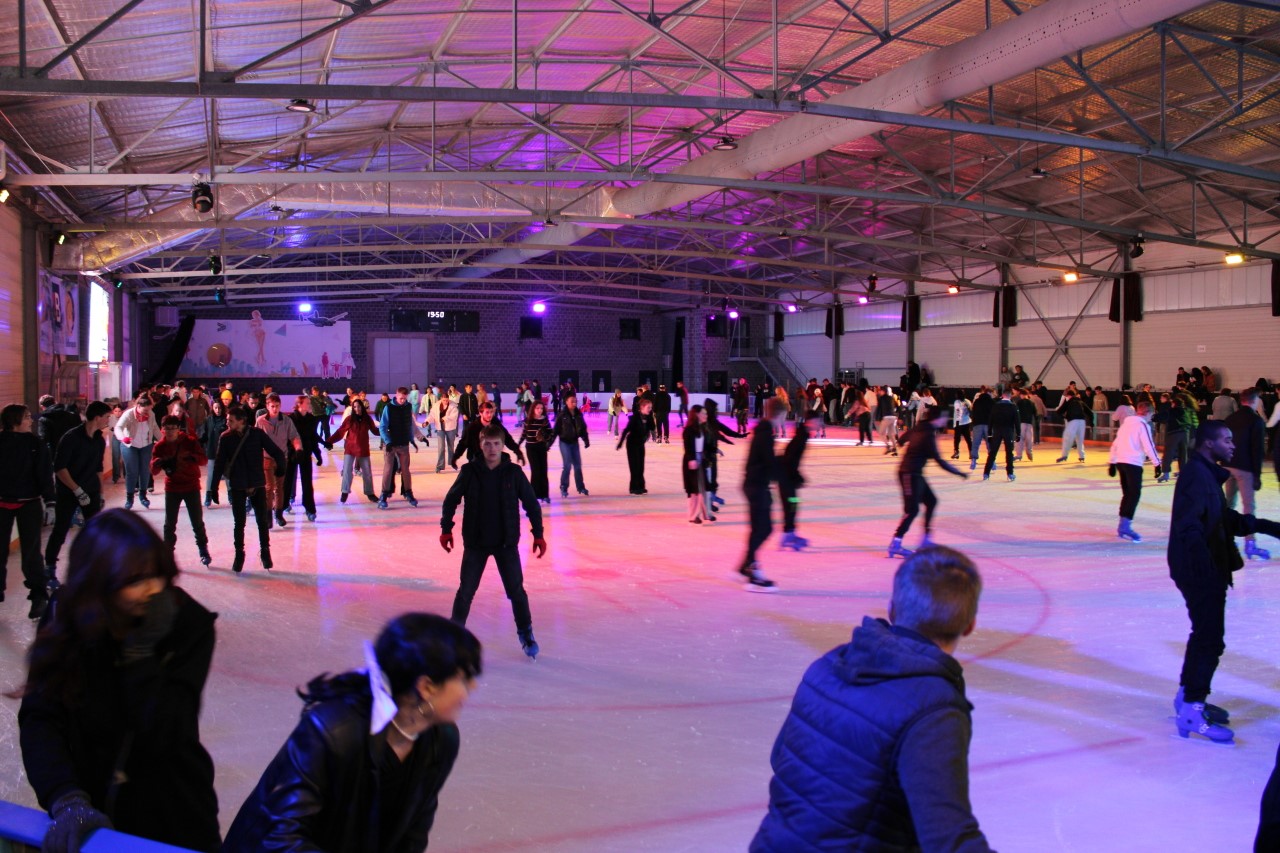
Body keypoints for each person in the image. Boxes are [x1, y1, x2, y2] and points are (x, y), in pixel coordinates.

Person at [750, 546, 993, 852]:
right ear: (969, 625)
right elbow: (949, 840)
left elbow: (783, 758)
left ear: (892, 609)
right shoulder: (934, 711)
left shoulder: (830, 664)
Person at [15, 510, 221, 852]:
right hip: (94, 806)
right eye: (135, 579)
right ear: (97, 582)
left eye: (157, 573)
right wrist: (66, 798)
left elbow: (167, 731)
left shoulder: (187, 624)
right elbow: (41, 716)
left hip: (173, 813)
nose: (153, 589)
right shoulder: (66, 615)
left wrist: (140, 651)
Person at [223, 613, 478, 852]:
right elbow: (281, 836)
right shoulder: (333, 730)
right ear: (427, 687)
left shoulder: (441, 741)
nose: (473, 686)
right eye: (464, 679)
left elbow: (413, 834)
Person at [1168, 421, 1280, 743]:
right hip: (1200, 572)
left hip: (1204, 569)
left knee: (1204, 635)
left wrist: (1269, 526)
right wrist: (1205, 572)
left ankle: (1188, 697)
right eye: (1227, 440)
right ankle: (1191, 709)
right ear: (1207, 444)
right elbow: (1189, 527)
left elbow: (1222, 519)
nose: (1233, 445)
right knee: (1210, 640)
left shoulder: (1204, 473)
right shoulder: (1196, 476)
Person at [440, 425, 546, 659]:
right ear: (480, 444)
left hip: (505, 543)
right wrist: (446, 529)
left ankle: (526, 633)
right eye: (487, 444)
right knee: (465, 591)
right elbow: (451, 500)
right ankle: (454, 636)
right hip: (476, 543)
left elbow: (531, 504)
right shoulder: (469, 472)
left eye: (496, 444)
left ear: (502, 445)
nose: (492, 448)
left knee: (516, 591)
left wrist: (538, 534)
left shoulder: (514, 473)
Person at [44, 402, 111, 597]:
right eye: (106, 417)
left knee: (94, 530)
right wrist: (76, 490)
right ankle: (49, 568)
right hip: (68, 491)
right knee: (61, 529)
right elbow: (60, 468)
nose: (108, 420)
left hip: (89, 490)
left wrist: (100, 493)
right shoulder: (71, 437)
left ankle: (94, 570)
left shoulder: (99, 439)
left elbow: (98, 468)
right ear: (97, 417)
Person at [209, 405, 286, 573]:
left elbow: (276, 451)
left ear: (241, 421)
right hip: (237, 485)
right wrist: (213, 487)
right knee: (239, 523)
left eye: (230, 420)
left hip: (257, 483)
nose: (227, 423)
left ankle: (265, 552)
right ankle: (239, 554)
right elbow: (220, 463)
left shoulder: (257, 434)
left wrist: (281, 466)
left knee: (262, 521)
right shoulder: (225, 437)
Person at [889, 405, 968, 557]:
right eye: (944, 417)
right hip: (908, 473)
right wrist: (958, 472)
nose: (945, 420)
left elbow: (902, 439)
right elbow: (939, 460)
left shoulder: (921, 428)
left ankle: (925, 539)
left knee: (931, 501)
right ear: (937, 418)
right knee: (912, 510)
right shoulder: (927, 434)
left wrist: (905, 445)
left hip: (915, 473)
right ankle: (896, 543)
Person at [0, 404, 56, 618]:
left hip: (29, 503)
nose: (31, 420)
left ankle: (38, 596)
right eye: (26, 417)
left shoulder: (35, 443)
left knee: (32, 554)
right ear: (14, 420)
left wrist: (50, 502)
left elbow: (44, 474)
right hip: (2, 502)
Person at [737, 398, 787, 592]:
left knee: (760, 528)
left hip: (755, 485)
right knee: (763, 528)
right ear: (781, 415)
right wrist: (784, 475)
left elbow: (767, 460)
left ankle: (747, 564)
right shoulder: (766, 433)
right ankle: (751, 569)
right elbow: (768, 462)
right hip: (756, 486)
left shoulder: (764, 430)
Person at [150, 414, 212, 566]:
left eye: (173, 428)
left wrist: (192, 457)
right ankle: (168, 553)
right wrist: (157, 463)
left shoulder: (189, 442)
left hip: (191, 486)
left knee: (197, 521)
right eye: (167, 428)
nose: (170, 431)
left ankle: (203, 549)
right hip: (172, 487)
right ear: (162, 429)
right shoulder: (160, 446)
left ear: (179, 429)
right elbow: (153, 471)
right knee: (169, 523)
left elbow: (203, 460)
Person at [1223, 388, 1270, 560]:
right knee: (1248, 506)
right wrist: (1257, 476)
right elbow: (1257, 450)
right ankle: (1250, 543)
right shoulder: (1256, 421)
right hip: (1245, 469)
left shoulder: (1230, 419)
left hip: (1228, 466)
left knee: (1228, 504)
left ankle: (1224, 537)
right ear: (1254, 400)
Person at [1107, 400, 1162, 542]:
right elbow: (1148, 445)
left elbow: (1116, 443)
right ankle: (1125, 526)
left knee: (1128, 494)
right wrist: (1157, 464)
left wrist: (1112, 462)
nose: (1152, 417)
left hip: (1121, 462)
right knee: (1134, 494)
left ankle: (1122, 525)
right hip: (1133, 463)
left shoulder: (1126, 424)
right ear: (1148, 412)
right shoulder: (1143, 425)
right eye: (1152, 414)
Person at [255, 394, 302, 527]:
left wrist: (298, 449)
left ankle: (278, 513)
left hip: (282, 458)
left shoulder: (286, 420)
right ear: (267, 406)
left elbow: (294, 436)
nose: (275, 409)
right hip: (266, 458)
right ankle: (268, 515)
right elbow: (255, 439)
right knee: (269, 488)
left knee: (279, 488)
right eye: (272, 406)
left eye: (277, 406)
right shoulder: (260, 421)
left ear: (280, 406)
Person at [779, 410, 818, 551]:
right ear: (810, 422)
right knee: (792, 505)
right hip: (786, 478)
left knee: (792, 505)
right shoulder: (801, 437)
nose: (819, 424)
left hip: (787, 477)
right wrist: (797, 476)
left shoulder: (803, 435)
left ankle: (788, 534)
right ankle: (788, 535)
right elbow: (790, 459)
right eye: (817, 421)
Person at [377, 387, 420, 510]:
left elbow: (409, 424)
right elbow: (382, 427)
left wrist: (412, 440)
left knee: (406, 469)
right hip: (390, 444)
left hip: (403, 443)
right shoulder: (388, 408)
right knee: (388, 469)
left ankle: (408, 492)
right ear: (396, 395)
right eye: (401, 398)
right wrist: (388, 441)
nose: (402, 400)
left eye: (404, 398)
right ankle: (384, 494)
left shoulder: (408, 407)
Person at [114, 394, 160, 509]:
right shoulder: (128, 414)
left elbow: (155, 428)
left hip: (146, 445)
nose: (147, 413)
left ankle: (143, 496)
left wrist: (163, 440)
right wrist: (122, 438)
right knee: (132, 472)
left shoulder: (151, 414)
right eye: (145, 410)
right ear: (138, 406)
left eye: (149, 410)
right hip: (130, 445)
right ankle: (130, 498)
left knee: (145, 470)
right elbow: (118, 427)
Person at [331, 397, 380, 503]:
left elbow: (375, 431)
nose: (357, 409)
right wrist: (329, 441)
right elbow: (340, 432)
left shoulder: (367, 419)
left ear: (362, 407)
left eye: (358, 406)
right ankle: (345, 492)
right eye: (355, 407)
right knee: (347, 471)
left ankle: (370, 493)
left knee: (367, 472)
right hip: (350, 448)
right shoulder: (349, 419)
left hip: (363, 448)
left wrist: (386, 431)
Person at [286, 395, 322, 521]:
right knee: (288, 479)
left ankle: (309, 508)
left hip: (306, 453)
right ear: (299, 404)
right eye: (307, 403)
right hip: (292, 453)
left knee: (307, 482)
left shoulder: (311, 419)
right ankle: (284, 504)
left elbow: (313, 438)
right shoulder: (290, 419)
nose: (310, 405)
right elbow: (287, 438)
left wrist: (318, 454)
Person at [553, 393, 590, 498]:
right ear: (566, 402)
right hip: (564, 442)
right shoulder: (562, 415)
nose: (574, 403)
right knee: (567, 465)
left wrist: (585, 440)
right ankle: (563, 487)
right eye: (572, 401)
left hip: (574, 442)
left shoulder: (578, 414)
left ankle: (580, 487)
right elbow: (555, 430)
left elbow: (582, 428)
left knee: (578, 466)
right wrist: (548, 444)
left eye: (575, 401)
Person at [617, 397, 655, 495]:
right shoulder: (635, 418)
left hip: (640, 444)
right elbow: (626, 430)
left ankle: (641, 486)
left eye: (651, 408)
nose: (650, 409)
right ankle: (633, 488)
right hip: (632, 444)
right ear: (642, 407)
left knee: (641, 466)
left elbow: (653, 427)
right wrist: (620, 443)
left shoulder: (648, 417)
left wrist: (651, 417)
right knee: (634, 466)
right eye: (648, 408)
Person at [519, 400, 553, 505]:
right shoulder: (528, 420)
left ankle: (545, 495)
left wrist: (547, 440)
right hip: (531, 448)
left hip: (541, 447)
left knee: (543, 471)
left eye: (541, 408)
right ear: (533, 409)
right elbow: (524, 434)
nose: (540, 410)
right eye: (537, 408)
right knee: (536, 471)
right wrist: (518, 444)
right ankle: (533, 495)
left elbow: (551, 433)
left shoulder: (545, 421)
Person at [981, 388, 1019, 482]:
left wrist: (989, 434)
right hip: (1008, 432)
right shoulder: (1013, 407)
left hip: (997, 431)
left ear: (1002, 396)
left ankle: (986, 473)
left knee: (993, 452)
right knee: (1009, 453)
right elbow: (1017, 421)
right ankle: (1010, 473)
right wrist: (1019, 434)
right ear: (1010, 396)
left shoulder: (996, 406)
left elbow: (990, 420)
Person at [681, 405, 710, 524]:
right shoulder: (689, 430)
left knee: (703, 487)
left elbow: (704, 445)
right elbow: (688, 446)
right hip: (691, 460)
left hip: (700, 459)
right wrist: (691, 459)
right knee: (694, 489)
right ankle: (693, 515)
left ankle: (704, 513)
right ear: (697, 414)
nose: (705, 416)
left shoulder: (702, 428)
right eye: (703, 413)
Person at [1054, 388, 1089, 463]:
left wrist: (1063, 417)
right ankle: (1082, 456)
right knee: (1079, 440)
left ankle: (1064, 455)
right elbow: (1089, 412)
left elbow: (1059, 411)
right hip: (1082, 422)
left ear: (1069, 396)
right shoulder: (1081, 401)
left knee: (1067, 438)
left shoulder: (1069, 402)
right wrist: (1092, 422)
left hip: (1073, 421)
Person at [428, 396, 460, 474]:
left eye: (446, 400)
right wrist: (427, 421)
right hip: (440, 429)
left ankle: (452, 463)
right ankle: (439, 466)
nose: (445, 401)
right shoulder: (436, 406)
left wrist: (444, 419)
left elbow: (454, 416)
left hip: (451, 428)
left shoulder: (453, 406)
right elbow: (432, 416)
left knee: (451, 447)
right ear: (441, 399)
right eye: (443, 400)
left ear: (448, 399)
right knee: (441, 448)